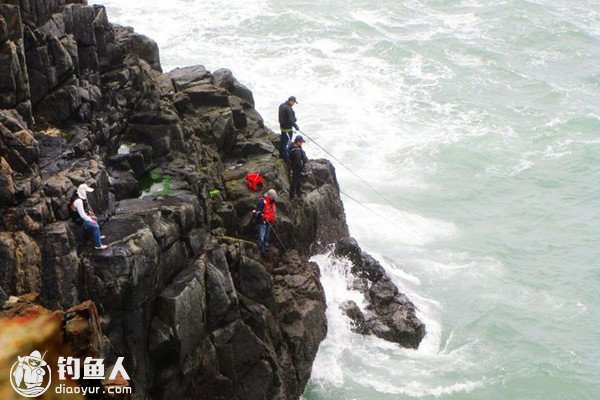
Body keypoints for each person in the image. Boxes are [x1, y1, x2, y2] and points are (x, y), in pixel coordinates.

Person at [69, 183, 108, 250]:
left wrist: (89, 212)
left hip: (79, 216)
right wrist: (90, 220)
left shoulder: (78, 196)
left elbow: (82, 210)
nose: (87, 193)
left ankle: (96, 237)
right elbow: (82, 215)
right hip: (78, 220)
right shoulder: (78, 201)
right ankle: (98, 245)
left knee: (95, 218)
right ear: (83, 191)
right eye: (86, 191)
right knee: (95, 226)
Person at [253, 189, 277, 254]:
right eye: (273, 196)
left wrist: (273, 219)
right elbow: (257, 212)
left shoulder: (273, 202)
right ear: (270, 195)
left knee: (266, 236)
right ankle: (261, 251)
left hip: (269, 222)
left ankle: (264, 247)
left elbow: (273, 212)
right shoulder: (262, 201)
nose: (274, 198)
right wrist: (263, 216)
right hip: (262, 222)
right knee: (261, 237)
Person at [278, 96, 299, 162]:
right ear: (291, 101)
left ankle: (281, 154)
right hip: (287, 129)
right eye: (294, 102)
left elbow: (283, 116)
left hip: (282, 126)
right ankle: (286, 157)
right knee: (287, 142)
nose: (294, 104)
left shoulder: (281, 105)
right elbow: (290, 120)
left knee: (283, 141)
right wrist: (296, 126)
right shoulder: (289, 109)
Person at [288, 135, 309, 200]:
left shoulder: (293, 145)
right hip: (296, 168)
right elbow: (297, 162)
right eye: (301, 142)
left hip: (293, 166)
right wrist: (302, 170)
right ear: (298, 142)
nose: (302, 143)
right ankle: (292, 196)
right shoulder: (297, 152)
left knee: (298, 180)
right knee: (294, 181)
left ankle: (298, 192)